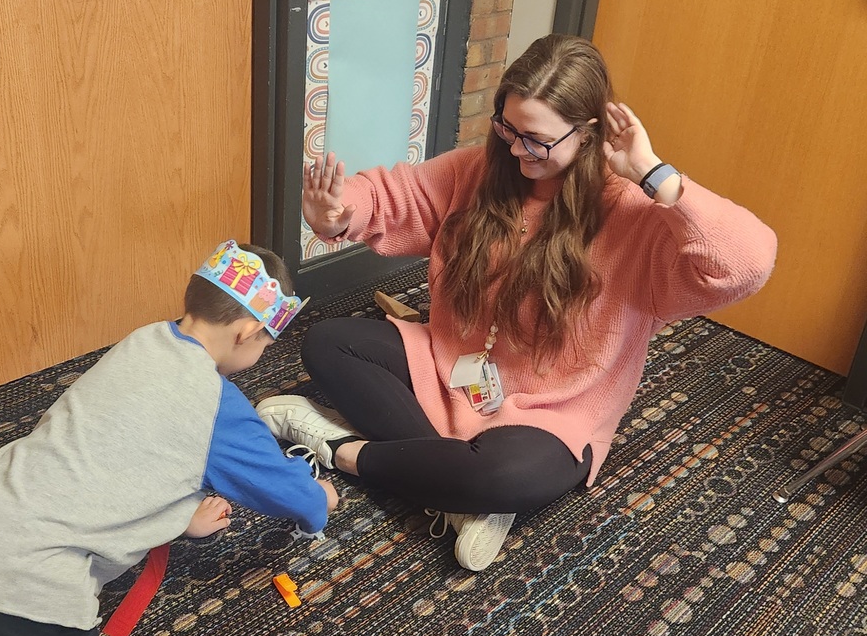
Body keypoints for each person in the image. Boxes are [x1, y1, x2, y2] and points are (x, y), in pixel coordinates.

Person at [255, 34, 778, 572]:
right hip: (453, 368)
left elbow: (746, 263)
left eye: (536, 139)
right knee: (328, 342)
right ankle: (458, 493)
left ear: (589, 133)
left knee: (504, 478)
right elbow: (397, 193)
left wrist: (655, 174)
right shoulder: (482, 172)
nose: (515, 149)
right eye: (507, 128)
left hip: (555, 409)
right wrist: (341, 213)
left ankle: (340, 445)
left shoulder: (636, 215)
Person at [0, 240, 338, 636]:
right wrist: (319, 500)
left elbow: (115, 446)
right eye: (265, 346)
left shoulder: (144, 341)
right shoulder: (217, 405)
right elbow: (279, 488)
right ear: (248, 333)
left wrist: (178, 516)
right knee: (19, 623)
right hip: (30, 574)